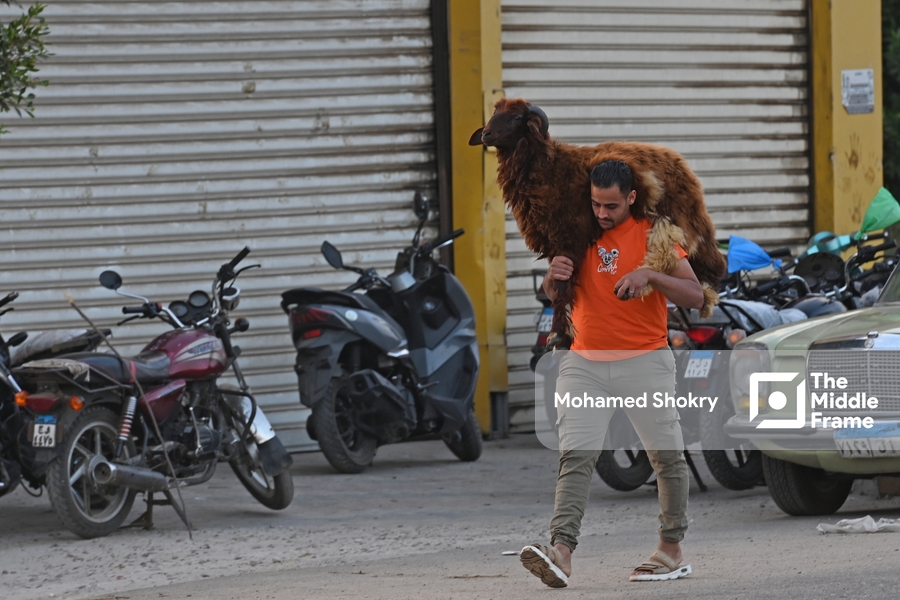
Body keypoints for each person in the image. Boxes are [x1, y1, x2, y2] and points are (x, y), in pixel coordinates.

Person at [520, 159, 704, 587]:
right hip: (583, 362)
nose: (602, 214)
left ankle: (671, 549)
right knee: (576, 456)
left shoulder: (655, 236)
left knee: (667, 457)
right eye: (596, 204)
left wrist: (652, 275)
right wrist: (552, 279)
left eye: (611, 206)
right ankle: (561, 552)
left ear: (631, 198)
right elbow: (555, 293)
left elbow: (695, 295)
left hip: (644, 361)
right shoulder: (576, 233)